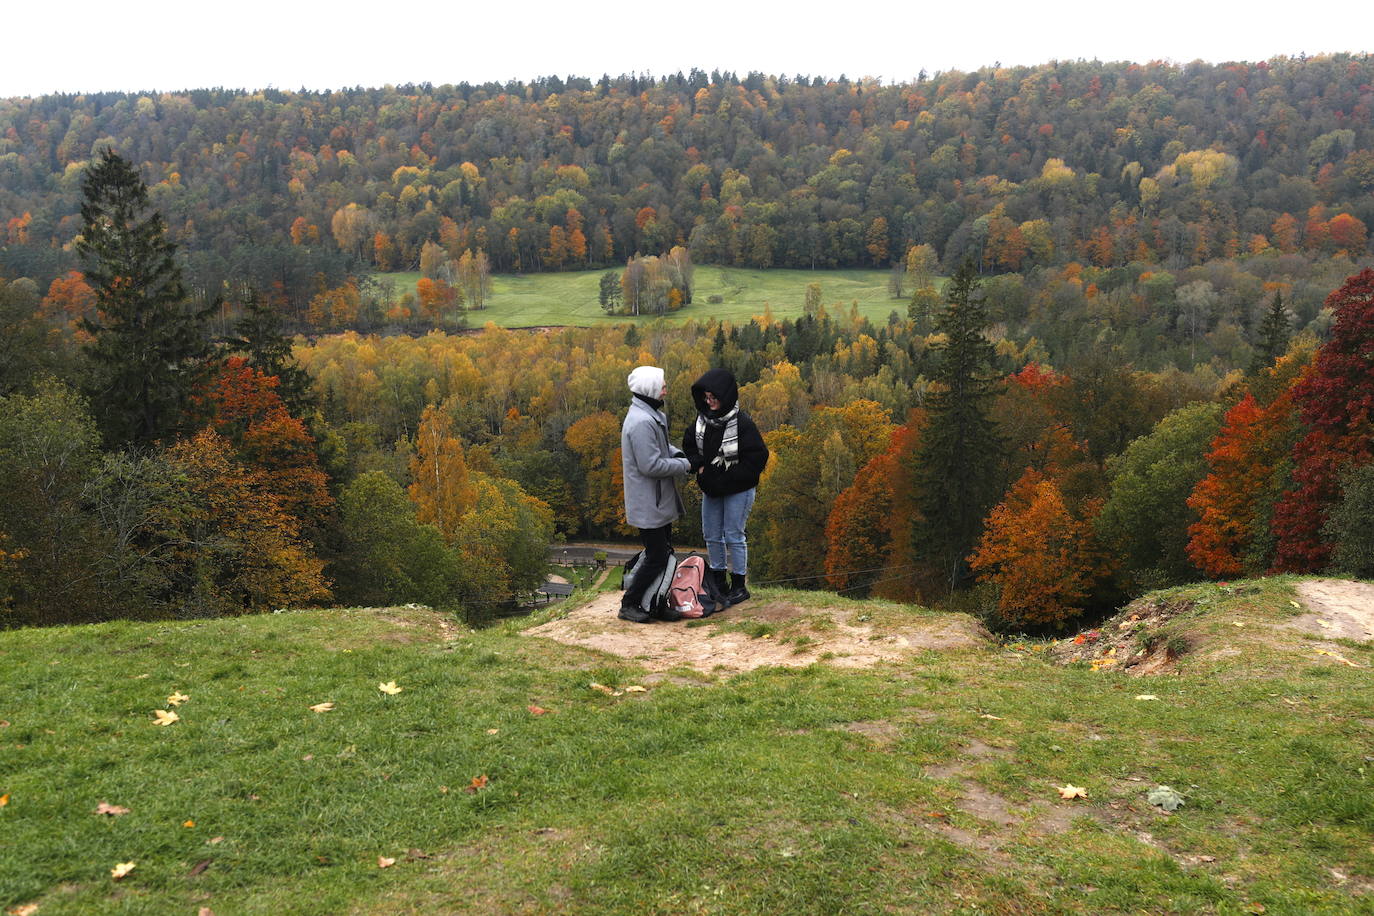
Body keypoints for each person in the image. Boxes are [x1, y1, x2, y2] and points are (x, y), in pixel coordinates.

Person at [619, 365, 699, 623]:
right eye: (662, 385)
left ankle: (656, 603)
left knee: (664, 553)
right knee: (656, 556)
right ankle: (629, 603)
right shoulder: (641, 422)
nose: (665, 389)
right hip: (648, 501)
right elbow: (651, 465)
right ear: (650, 389)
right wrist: (687, 465)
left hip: (657, 499)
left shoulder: (649, 414)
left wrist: (681, 455)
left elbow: (663, 448)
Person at [683, 368, 768, 607]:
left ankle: (739, 586)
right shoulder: (701, 422)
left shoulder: (743, 424)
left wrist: (727, 479)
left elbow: (757, 458)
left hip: (738, 489)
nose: (709, 402)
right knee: (711, 534)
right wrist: (698, 466)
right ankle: (718, 581)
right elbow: (689, 445)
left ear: (726, 396)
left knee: (733, 535)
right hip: (711, 489)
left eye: (714, 398)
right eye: (706, 398)